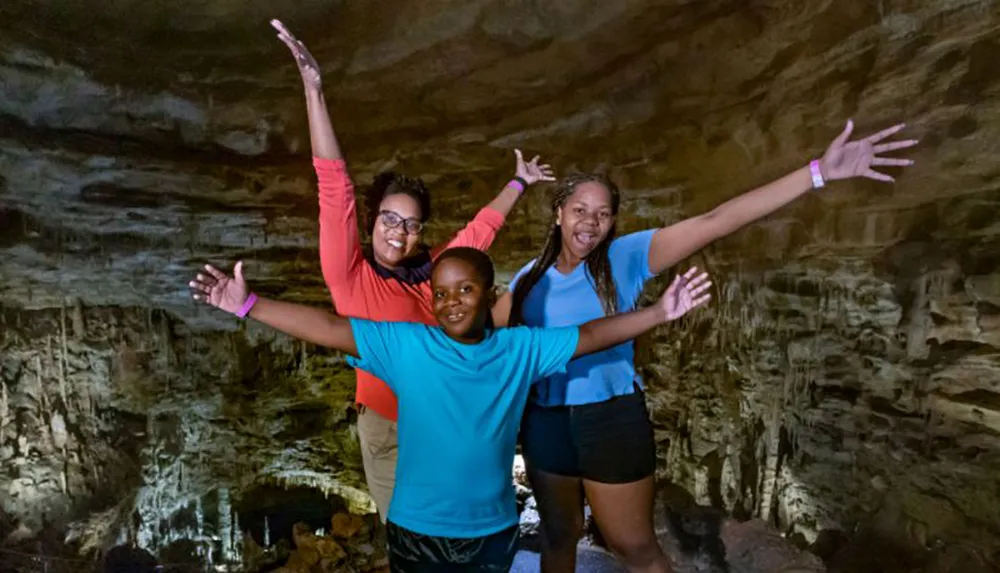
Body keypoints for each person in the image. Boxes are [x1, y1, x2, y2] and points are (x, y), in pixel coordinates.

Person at [490, 119, 919, 573]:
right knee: (558, 536)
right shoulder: (527, 278)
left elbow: (716, 221)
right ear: (558, 212)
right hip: (546, 421)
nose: (590, 223)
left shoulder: (626, 256)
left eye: (602, 214)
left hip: (609, 419)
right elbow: (483, 338)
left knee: (633, 547)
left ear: (613, 221)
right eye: (580, 210)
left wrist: (817, 173)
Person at [188, 248, 710, 572]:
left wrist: (659, 312)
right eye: (441, 293)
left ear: (490, 295)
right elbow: (328, 327)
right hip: (417, 529)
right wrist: (248, 305)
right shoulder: (407, 345)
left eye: (466, 289)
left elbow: (592, 335)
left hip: (490, 532)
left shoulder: (520, 349)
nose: (453, 301)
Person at [269, 19, 556, 524]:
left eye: (412, 224)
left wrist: (518, 182)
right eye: (389, 219)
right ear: (373, 218)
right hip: (388, 430)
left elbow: (479, 233)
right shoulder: (350, 274)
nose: (399, 232)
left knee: (456, 531)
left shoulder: (433, 273)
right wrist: (314, 90)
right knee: (408, 533)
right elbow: (332, 184)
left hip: (446, 419)